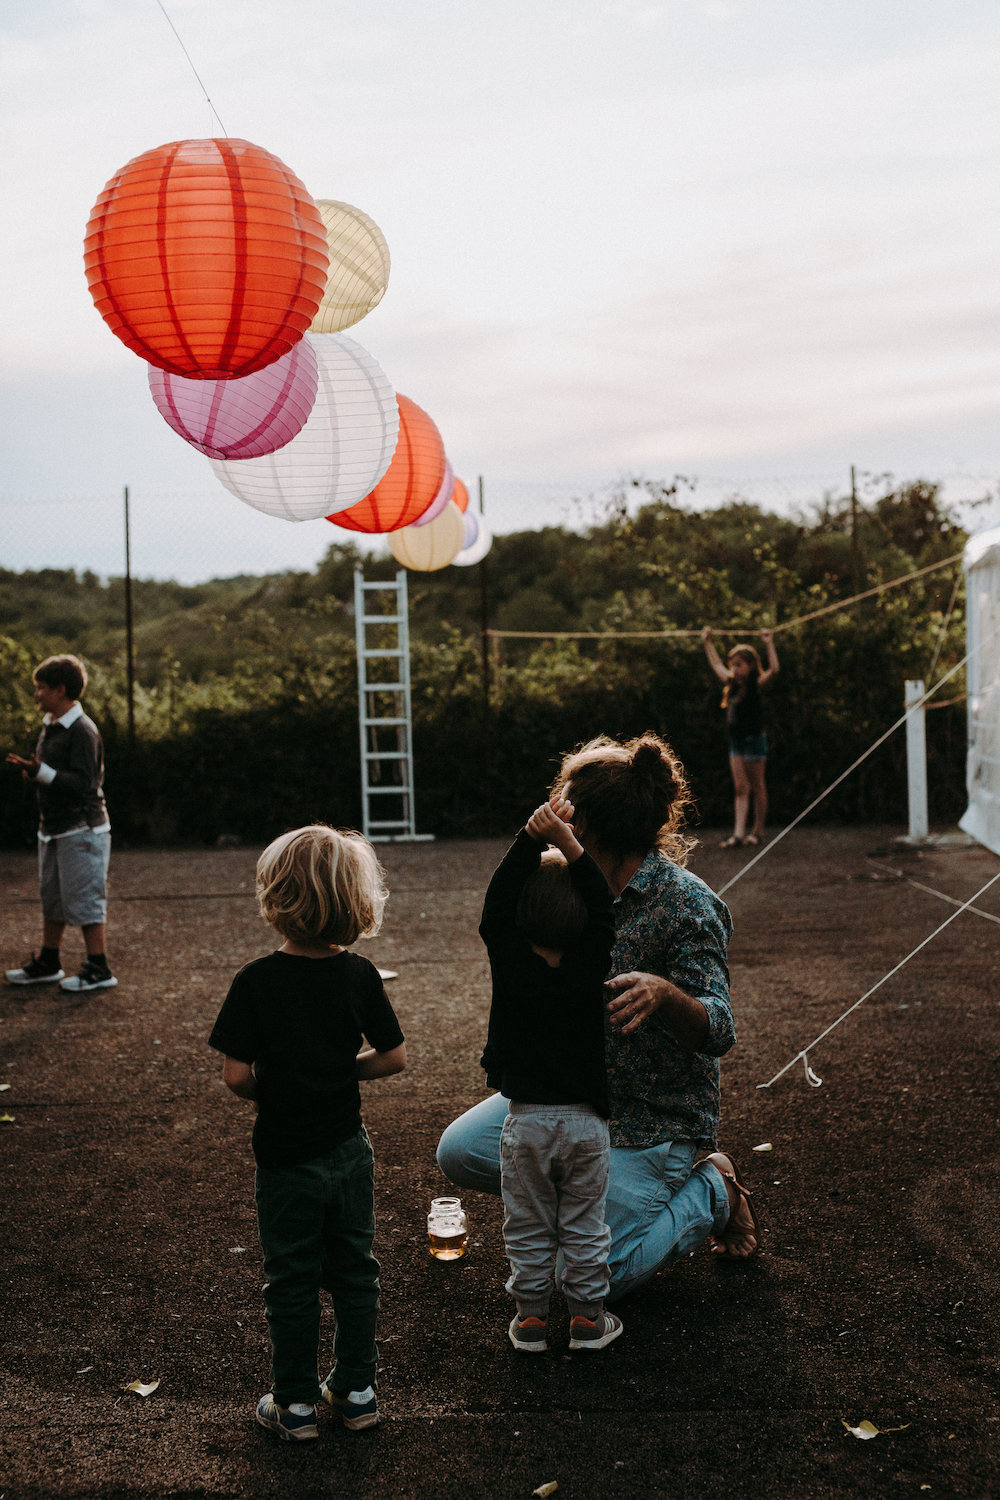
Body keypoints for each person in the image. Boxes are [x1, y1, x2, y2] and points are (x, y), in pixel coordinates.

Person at [437, 733, 759, 1304]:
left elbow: (720, 1027)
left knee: (591, 1275)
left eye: (562, 806)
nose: (550, 813)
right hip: (567, 1095)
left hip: (653, 1119)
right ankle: (584, 1201)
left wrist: (665, 994)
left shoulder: (686, 905)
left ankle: (714, 1189)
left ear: (584, 826)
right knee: (459, 1151)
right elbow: (498, 918)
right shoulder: (560, 883)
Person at [210, 824, 406, 1442]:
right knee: (354, 1270)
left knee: (291, 1278)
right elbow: (394, 1058)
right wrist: (336, 1075)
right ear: (355, 899)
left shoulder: (254, 981)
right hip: (348, 1147)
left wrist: (284, 1086)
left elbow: (237, 1076)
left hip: (285, 1157)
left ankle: (293, 1403)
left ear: (277, 898)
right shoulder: (360, 976)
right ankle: (356, 1391)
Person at [481, 794, 621, 1354]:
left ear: (519, 917)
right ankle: (588, 1321)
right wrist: (572, 846)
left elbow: (494, 907)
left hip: (526, 1123)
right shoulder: (593, 961)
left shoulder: (511, 962)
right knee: (585, 1225)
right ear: (585, 921)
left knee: (530, 1225)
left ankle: (533, 1320)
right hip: (587, 1125)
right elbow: (604, 907)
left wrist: (530, 837)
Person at [4, 654, 116, 993]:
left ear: (60, 690)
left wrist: (43, 773)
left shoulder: (82, 730)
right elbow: (53, 776)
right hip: (53, 829)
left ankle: (98, 968)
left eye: (41, 688)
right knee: (53, 898)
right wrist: (36, 774)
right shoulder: (51, 723)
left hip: (81, 829)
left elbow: (86, 783)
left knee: (85, 900)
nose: (36, 694)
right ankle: (48, 962)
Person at [701, 628, 780, 849]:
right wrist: (707, 642)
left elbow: (774, 670)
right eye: (733, 664)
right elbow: (716, 665)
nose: (734, 669)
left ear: (751, 665)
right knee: (740, 787)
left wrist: (768, 642)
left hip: (754, 741)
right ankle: (738, 834)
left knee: (757, 786)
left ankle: (758, 832)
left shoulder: (757, 684)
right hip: (736, 742)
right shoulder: (731, 684)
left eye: (739, 664)